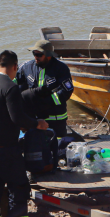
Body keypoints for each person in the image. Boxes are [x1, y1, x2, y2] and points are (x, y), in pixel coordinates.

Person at [0, 50, 48, 217]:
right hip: (5, 148)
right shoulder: (10, 87)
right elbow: (18, 118)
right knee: (18, 186)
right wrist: (37, 123)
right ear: (15, 67)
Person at [14, 39, 75, 169]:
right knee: (35, 145)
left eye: (39, 55)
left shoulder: (61, 69)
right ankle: (37, 167)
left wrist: (46, 102)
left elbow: (67, 91)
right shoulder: (26, 67)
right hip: (35, 118)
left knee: (58, 148)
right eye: (34, 54)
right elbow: (15, 85)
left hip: (56, 117)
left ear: (49, 55)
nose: (36, 57)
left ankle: (56, 165)